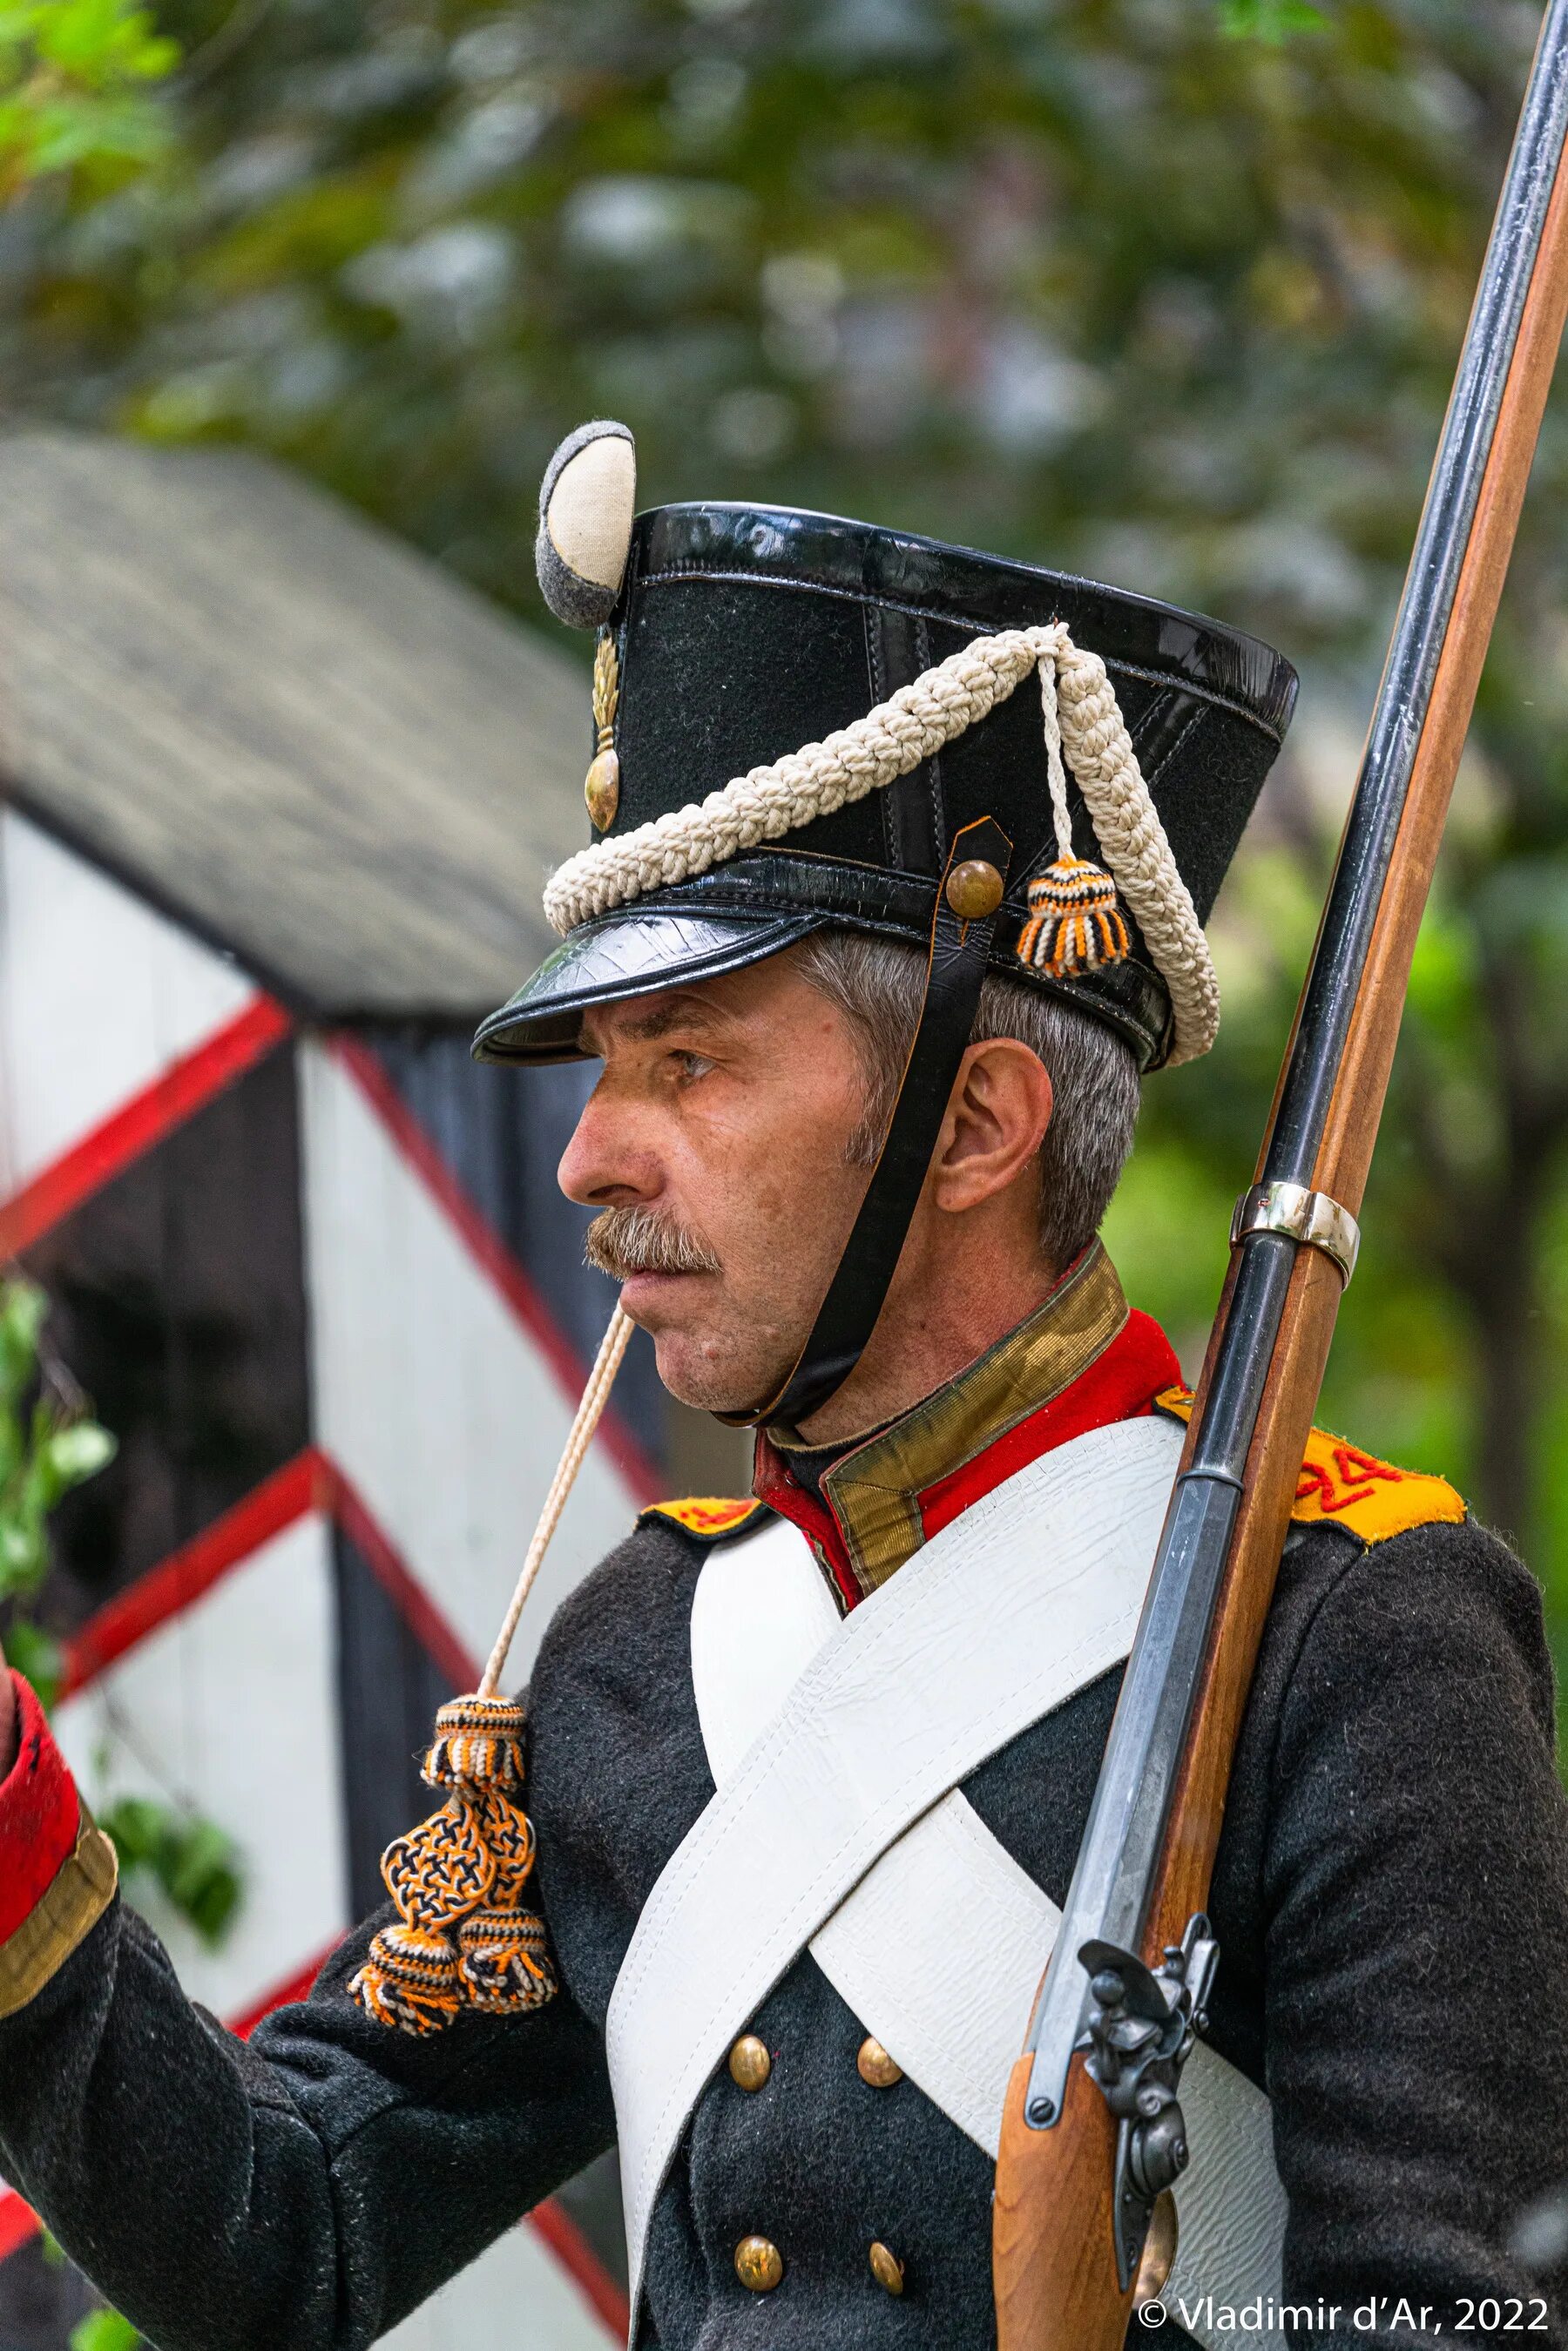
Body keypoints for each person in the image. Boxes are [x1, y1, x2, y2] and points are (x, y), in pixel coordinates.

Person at [1, 422, 1565, 2351]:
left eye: (693, 1062)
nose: (589, 1158)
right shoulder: (652, 1645)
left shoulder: (1352, 1630)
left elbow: (1449, 2323)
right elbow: (283, 2239)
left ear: (976, 1123)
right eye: (605, 1065)